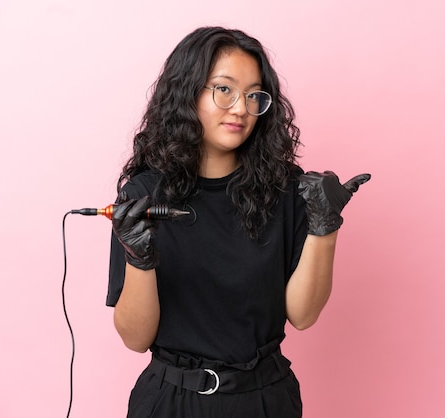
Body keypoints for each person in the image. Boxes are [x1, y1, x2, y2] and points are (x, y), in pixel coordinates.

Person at [107, 26, 370, 418]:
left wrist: (325, 227)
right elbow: (135, 338)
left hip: (265, 399)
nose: (241, 108)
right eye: (224, 89)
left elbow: (303, 315)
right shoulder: (144, 195)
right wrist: (139, 259)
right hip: (170, 401)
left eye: (253, 95)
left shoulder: (288, 190)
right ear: (187, 92)